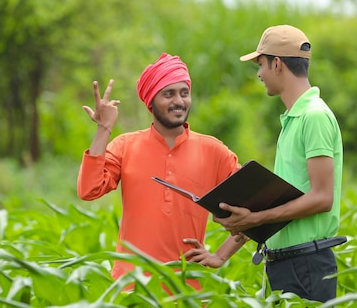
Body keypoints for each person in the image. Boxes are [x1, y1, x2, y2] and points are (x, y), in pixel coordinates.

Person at [77, 53, 246, 289]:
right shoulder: (125, 146)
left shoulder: (213, 151)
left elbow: (255, 207)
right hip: (131, 289)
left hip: (188, 292)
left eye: (184, 93)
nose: (179, 101)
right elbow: (88, 190)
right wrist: (104, 129)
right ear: (151, 101)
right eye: (169, 94)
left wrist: (220, 255)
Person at [213, 24, 344, 302]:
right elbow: (283, 202)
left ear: (276, 64)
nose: (259, 73)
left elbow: (322, 198)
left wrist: (256, 219)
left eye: (260, 64)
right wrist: (221, 253)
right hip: (288, 264)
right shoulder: (292, 120)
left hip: (307, 265)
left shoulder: (314, 117)